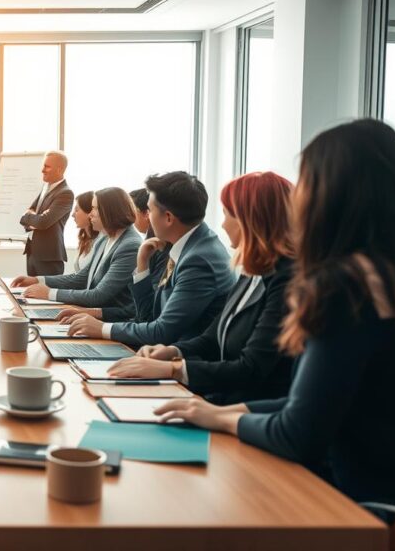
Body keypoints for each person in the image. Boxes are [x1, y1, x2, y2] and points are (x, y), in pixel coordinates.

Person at [155, 119, 395, 508]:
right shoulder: (387, 278)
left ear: (328, 194)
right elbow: (315, 403)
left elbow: (297, 432)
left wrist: (220, 417)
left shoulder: (346, 286)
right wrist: (219, 410)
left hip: (357, 507)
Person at [108, 172, 296, 404]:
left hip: (239, 407)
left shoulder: (284, 280)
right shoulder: (254, 269)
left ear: (252, 220)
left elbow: (251, 369)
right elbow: (212, 337)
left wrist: (174, 369)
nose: (223, 224)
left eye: (228, 215)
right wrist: (173, 352)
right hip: (218, 394)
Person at [62, 171, 235, 346]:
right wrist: (142, 263)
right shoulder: (185, 245)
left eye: (150, 210)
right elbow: (148, 315)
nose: (146, 217)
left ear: (168, 218)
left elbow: (162, 332)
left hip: (180, 361)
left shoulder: (198, 260)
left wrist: (102, 328)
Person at [11, 187, 141, 316]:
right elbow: (81, 278)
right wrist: (36, 280)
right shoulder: (105, 239)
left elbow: (98, 295)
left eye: (95, 208)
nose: (90, 214)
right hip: (91, 314)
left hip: (112, 320)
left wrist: (49, 293)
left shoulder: (130, 246)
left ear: (110, 211)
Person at [20, 151, 74, 276]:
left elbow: (43, 222)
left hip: (49, 258)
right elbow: (24, 217)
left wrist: (31, 218)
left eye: (47, 166)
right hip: (32, 253)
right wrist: (34, 219)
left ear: (59, 170)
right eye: (43, 165)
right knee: (30, 294)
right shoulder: (45, 188)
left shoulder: (65, 193)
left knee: (46, 294)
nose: (42, 170)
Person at [70, 190, 100, 273]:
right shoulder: (85, 239)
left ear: (89, 212)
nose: (72, 215)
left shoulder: (100, 241)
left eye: (76, 210)